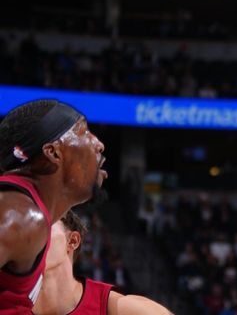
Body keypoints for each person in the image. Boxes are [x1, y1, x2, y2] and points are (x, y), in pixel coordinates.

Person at [0, 100, 107, 312]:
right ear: (53, 153)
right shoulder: (19, 214)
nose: (99, 144)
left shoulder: (25, 211)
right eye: (83, 131)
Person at [33, 211, 172, 315]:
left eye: (43, 226)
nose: (29, 237)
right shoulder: (12, 304)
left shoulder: (113, 307)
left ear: (72, 241)